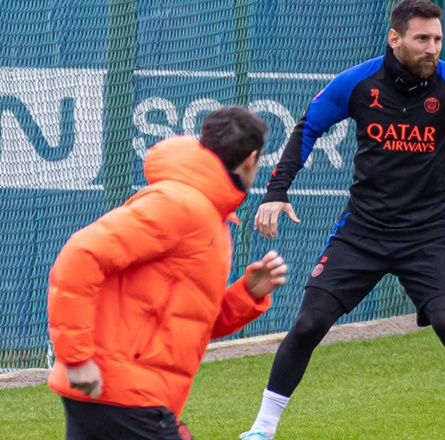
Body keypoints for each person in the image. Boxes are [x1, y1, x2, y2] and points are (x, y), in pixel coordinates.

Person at [240, 0, 445, 440]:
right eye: (422, 38)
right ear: (395, 39)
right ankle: (261, 429)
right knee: (309, 323)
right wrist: (276, 192)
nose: (432, 48)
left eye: (438, 39)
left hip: (426, 237)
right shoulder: (358, 84)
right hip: (362, 234)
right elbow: (307, 126)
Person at [47, 106, 288, 440]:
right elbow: (81, 255)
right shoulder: (180, 205)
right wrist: (76, 358)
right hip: (124, 391)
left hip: (118, 391)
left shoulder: (206, 215)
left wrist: (246, 295)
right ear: (250, 160)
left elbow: (185, 321)